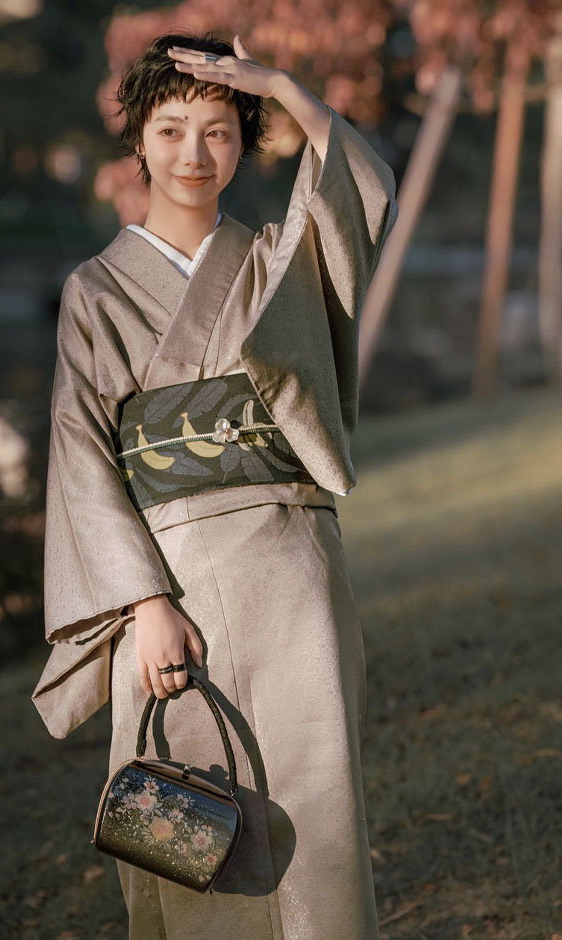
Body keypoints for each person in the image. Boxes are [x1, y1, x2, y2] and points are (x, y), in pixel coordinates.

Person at [32, 29, 398, 940]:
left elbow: (357, 190)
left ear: (246, 141)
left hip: (290, 566)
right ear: (139, 142)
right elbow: (81, 458)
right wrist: (141, 604)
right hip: (167, 584)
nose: (194, 155)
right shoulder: (97, 291)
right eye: (169, 130)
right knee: (191, 821)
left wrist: (277, 81)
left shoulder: (279, 260)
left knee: (316, 810)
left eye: (220, 131)